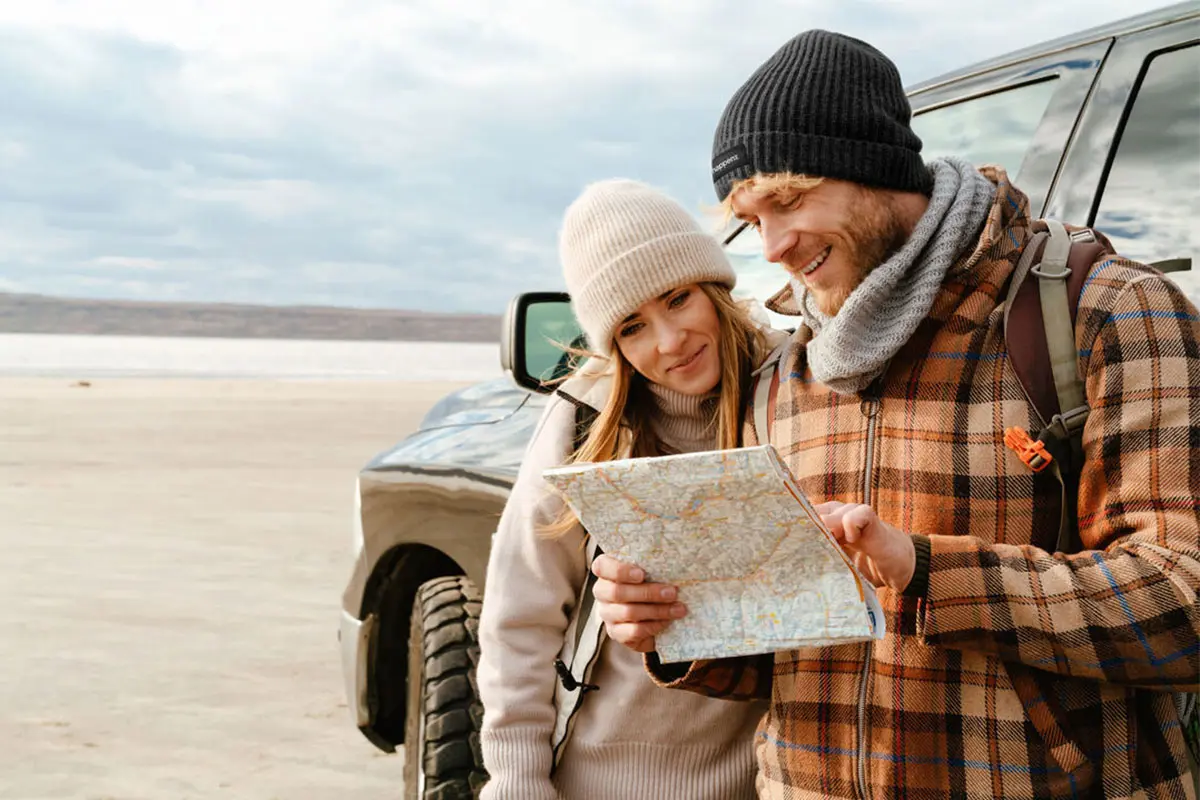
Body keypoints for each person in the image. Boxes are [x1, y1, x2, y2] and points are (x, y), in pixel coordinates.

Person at [591, 30, 1200, 799]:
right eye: (752, 219)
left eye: (788, 200)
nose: (772, 246)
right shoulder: (784, 373)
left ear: (874, 167)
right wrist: (676, 622)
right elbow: (784, 648)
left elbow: (1186, 600)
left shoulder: (1103, 313)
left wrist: (927, 575)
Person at [476, 179, 782, 799]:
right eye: (632, 327)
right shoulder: (586, 421)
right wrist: (516, 782)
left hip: (766, 778)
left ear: (714, 289)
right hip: (601, 778)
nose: (669, 343)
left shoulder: (792, 392)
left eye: (677, 299)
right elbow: (519, 619)